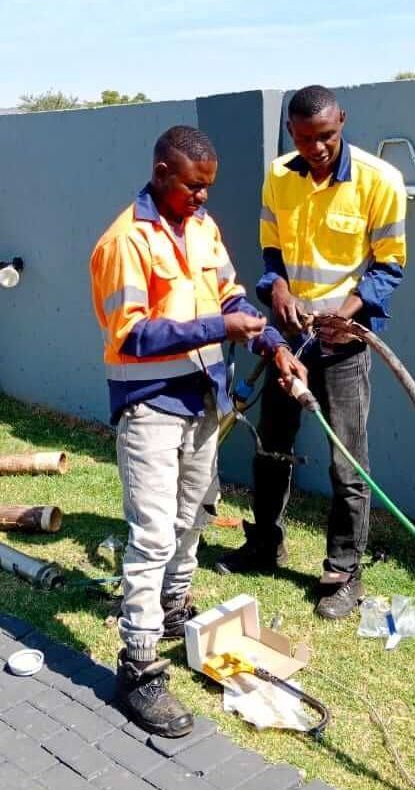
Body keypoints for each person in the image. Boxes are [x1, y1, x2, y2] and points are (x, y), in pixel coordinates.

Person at [89, 124, 308, 737]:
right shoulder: (125, 241)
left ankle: (173, 609)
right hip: (151, 404)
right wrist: (217, 328)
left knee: (194, 520)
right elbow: (131, 334)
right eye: (193, 186)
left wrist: (270, 341)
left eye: (208, 188)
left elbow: (233, 295)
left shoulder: (203, 229)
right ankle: (137, 666)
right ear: (162, 172)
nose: (203, 198)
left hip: (205, 401)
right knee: (153, 537)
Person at [215, 86, 407, 621]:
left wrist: (348, 314)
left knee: (347, 462)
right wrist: (275, 290)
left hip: (344, 344)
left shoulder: (379, 181)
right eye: (304, 138)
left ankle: (344, 572)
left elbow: (389, 267)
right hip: (287, 339)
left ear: (342, 121)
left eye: (325, 136)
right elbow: (272, 254)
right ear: (292, 134)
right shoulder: (280, 175)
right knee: (272, 446)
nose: (316, 148)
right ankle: (265, 542)